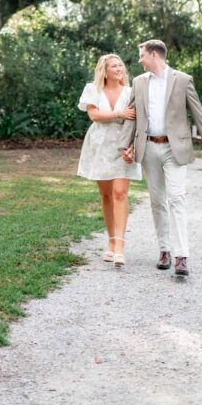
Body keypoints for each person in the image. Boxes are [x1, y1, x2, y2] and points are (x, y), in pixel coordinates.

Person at [119, 39, 202, 277]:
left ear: (154, 55)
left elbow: (198, 113)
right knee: (157, 201)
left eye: (142, 55)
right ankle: (164, 250)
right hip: (148, 147)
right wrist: (125, 144)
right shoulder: (139, 82)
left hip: (175, 149)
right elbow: (132, 115)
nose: (139, 59)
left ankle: (181, 256)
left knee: (177, 198)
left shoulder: (182, 80)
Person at [77, 54, 140, 267]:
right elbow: (94, 115)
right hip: (100, 145)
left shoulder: (132, 92)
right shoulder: (92, 89)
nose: (119, 68)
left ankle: (120, 247)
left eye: (121, 65)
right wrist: (119, 113)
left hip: (123, 145)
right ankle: (111, 242)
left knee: (120, 193)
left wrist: (132, 146)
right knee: (105, 195)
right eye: (114, 65)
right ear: (105, 70)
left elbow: (138, 121)